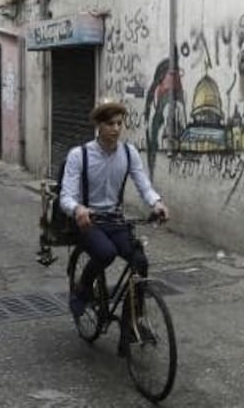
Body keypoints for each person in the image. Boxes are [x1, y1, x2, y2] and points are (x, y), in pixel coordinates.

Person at [61, 101, 169, 319]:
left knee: (140, 262)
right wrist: (78, 208)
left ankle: (133, 323)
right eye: (110, 124)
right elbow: (66, 196)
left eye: (120, 123)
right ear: (98, 125)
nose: (116, 129)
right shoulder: (78, 155)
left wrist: (156, 203)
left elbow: (144, 185)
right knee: (105, 252)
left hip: (115, 221)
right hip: (88, 221)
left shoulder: (129, 153)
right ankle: (83, 288)